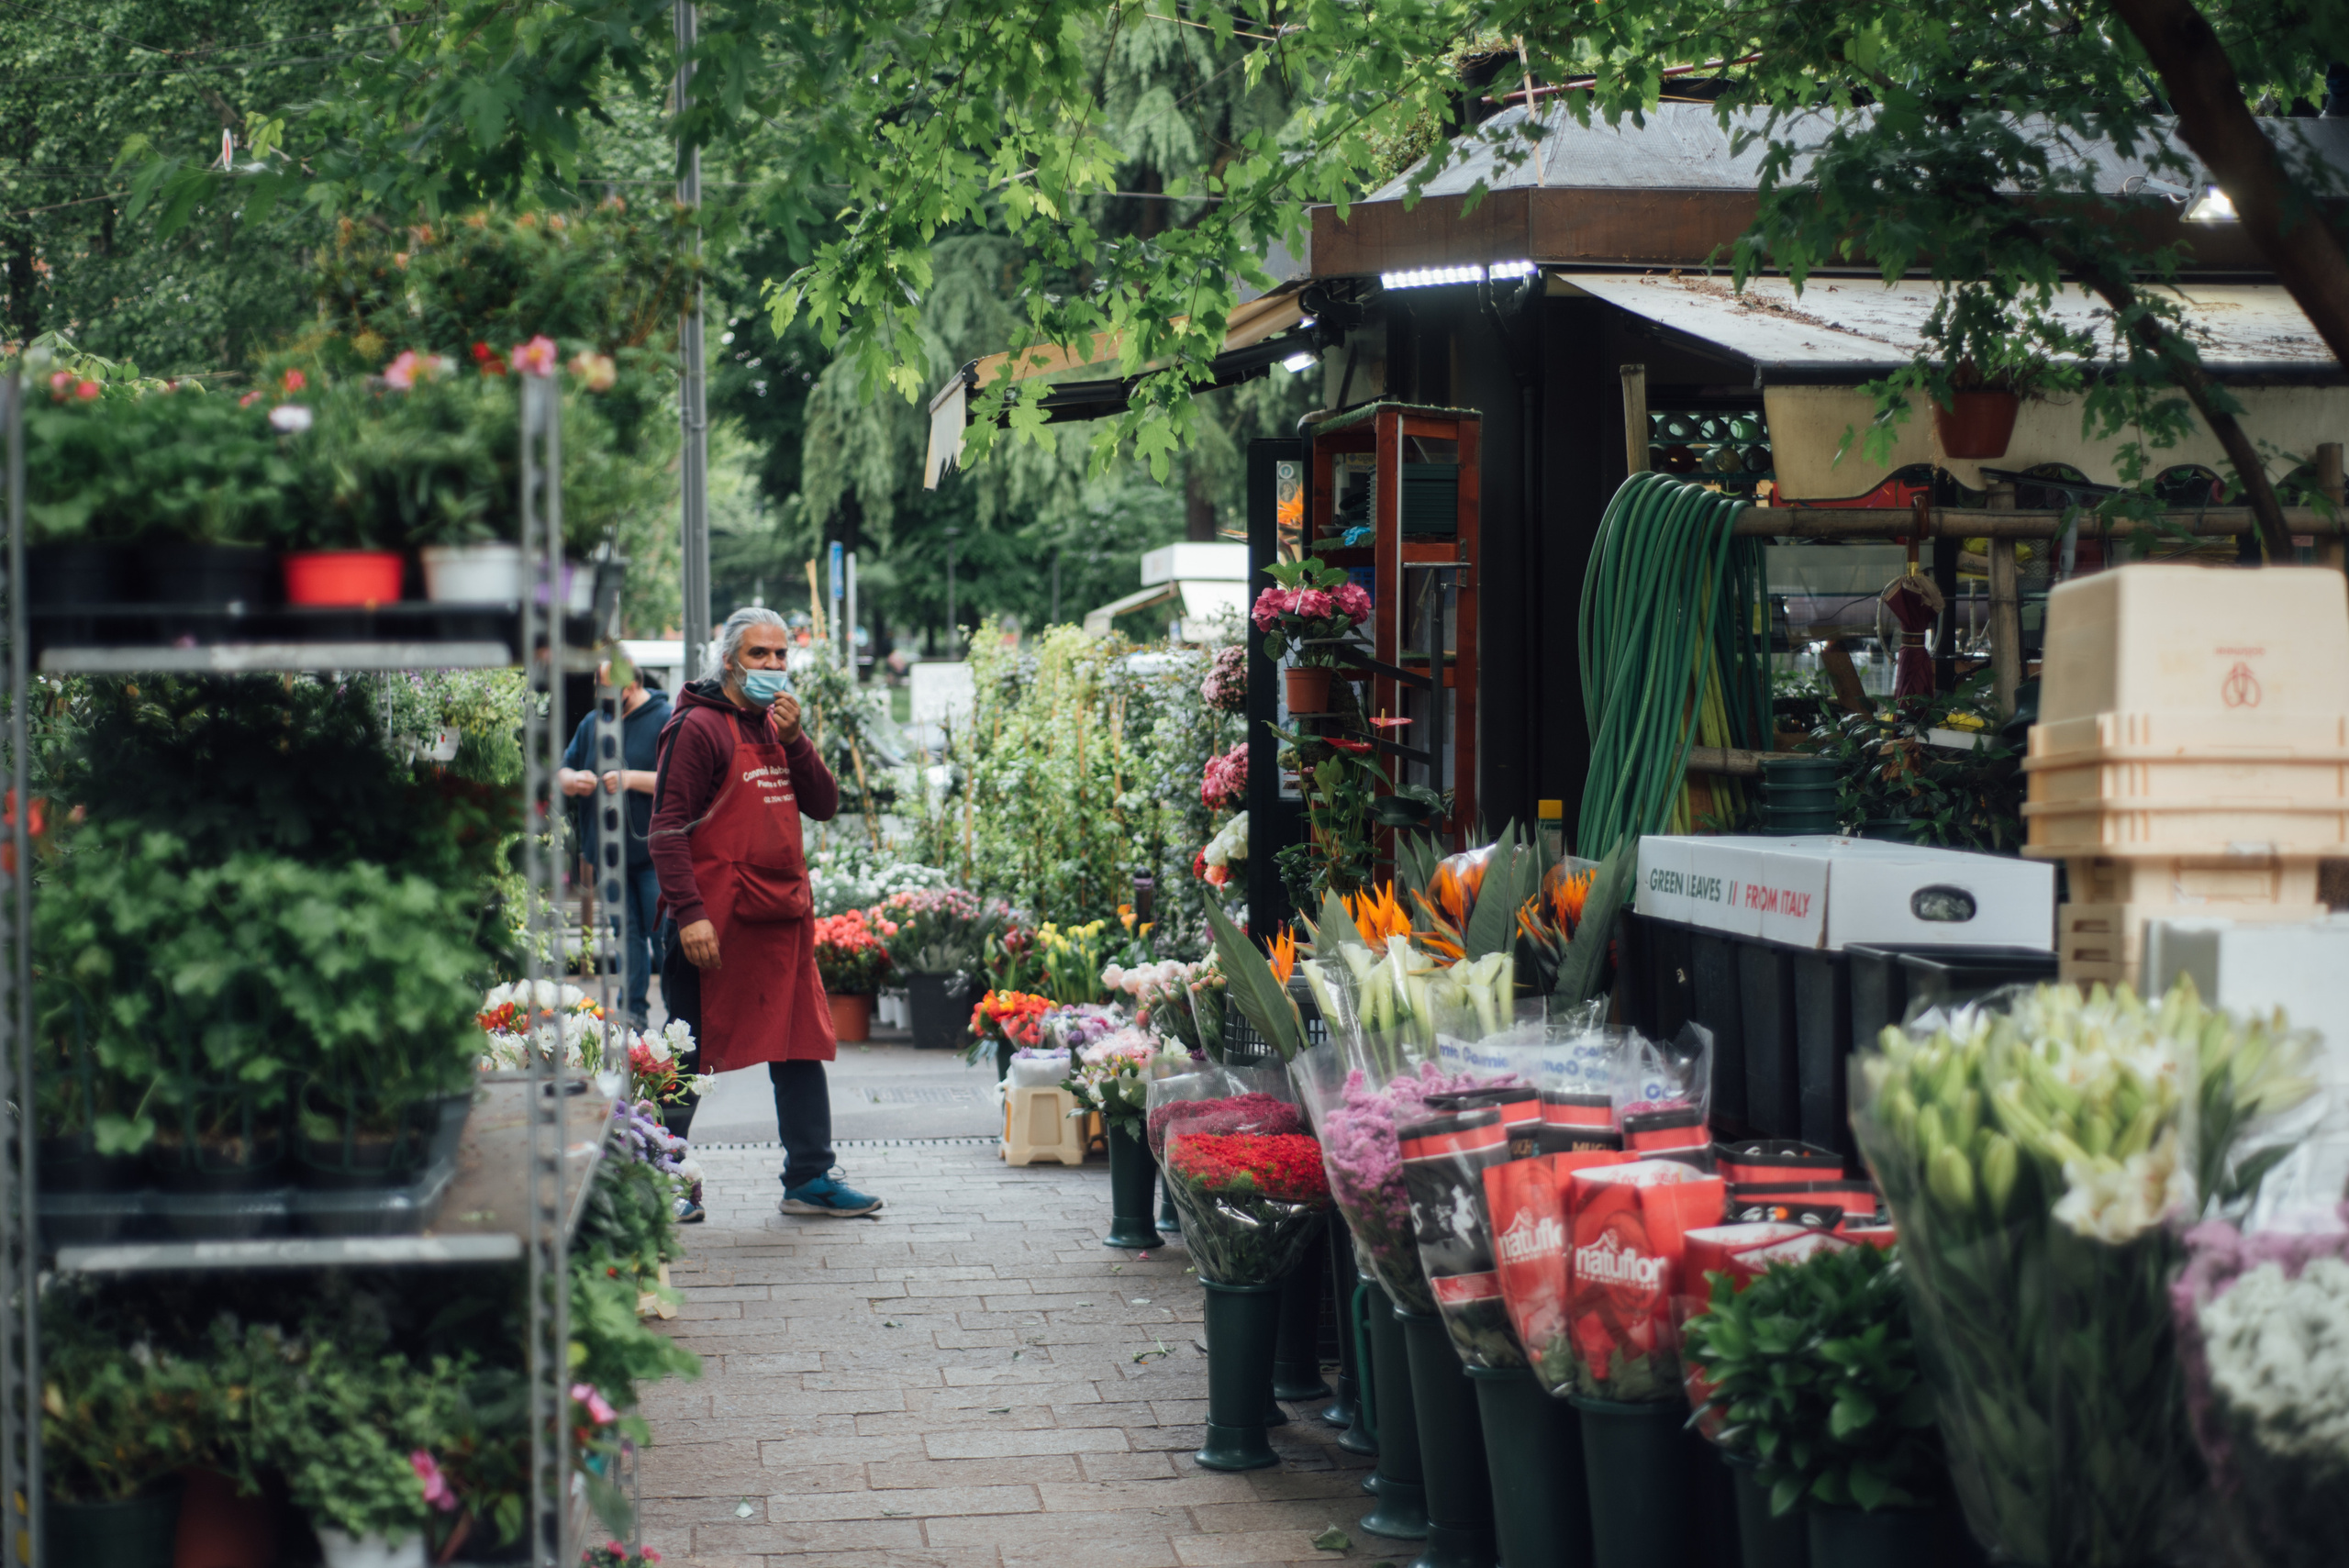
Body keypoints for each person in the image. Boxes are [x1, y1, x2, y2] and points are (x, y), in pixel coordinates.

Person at [648, 606, 883, 1218]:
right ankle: (662, 1177)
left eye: (782, 654)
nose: (774, 666)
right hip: (714, 924)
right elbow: (667, 831)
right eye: (760, 655)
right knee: (688, 1049)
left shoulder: (780, 724)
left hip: (779, 916)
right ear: (728, 661)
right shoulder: (696, 728)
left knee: (799, 1042)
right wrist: (690, 913)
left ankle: (809, 1176)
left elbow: (825, 803)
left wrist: (799, 739)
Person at [556, 663, 672, 1029]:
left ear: (633, 684)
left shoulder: (665, 719)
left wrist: (629, 779)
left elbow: (679, 781)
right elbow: (563, 770)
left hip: (655, 854)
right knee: (627, 935)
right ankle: (632, 1013)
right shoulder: (592, 723)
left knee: (663, 935)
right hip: (608, 854)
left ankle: (680, 1015)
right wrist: (575, 781)